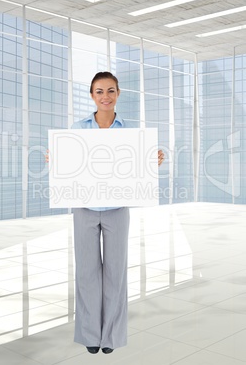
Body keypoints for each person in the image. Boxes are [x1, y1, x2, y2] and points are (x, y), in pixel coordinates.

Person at [70, 72, 164, 354]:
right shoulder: (78, 127)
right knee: (87, 273)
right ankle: (90, 334)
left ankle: (110, 337)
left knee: (115, 273)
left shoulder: (131, 131)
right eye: (99, 91)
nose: (105, 97)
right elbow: (71, 167)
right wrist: (56, 158)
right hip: (84, 208)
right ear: (91, 95)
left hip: (116, 209)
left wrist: (152, 162)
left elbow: (135, 169)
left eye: (111, 91)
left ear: (118, 94)